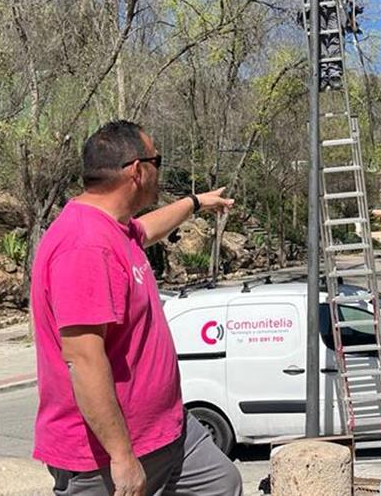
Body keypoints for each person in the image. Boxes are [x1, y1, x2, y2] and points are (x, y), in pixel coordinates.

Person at [31, 120, 242, 496]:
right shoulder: (85, 245)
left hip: (170, 433)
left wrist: (195, 203)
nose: (160, 170)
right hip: (107, 456)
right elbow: (83, 360)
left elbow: (148, 229)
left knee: (222, 483)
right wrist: (122, 457)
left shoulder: (113, 228)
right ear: (137, 171)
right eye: (157, 160)